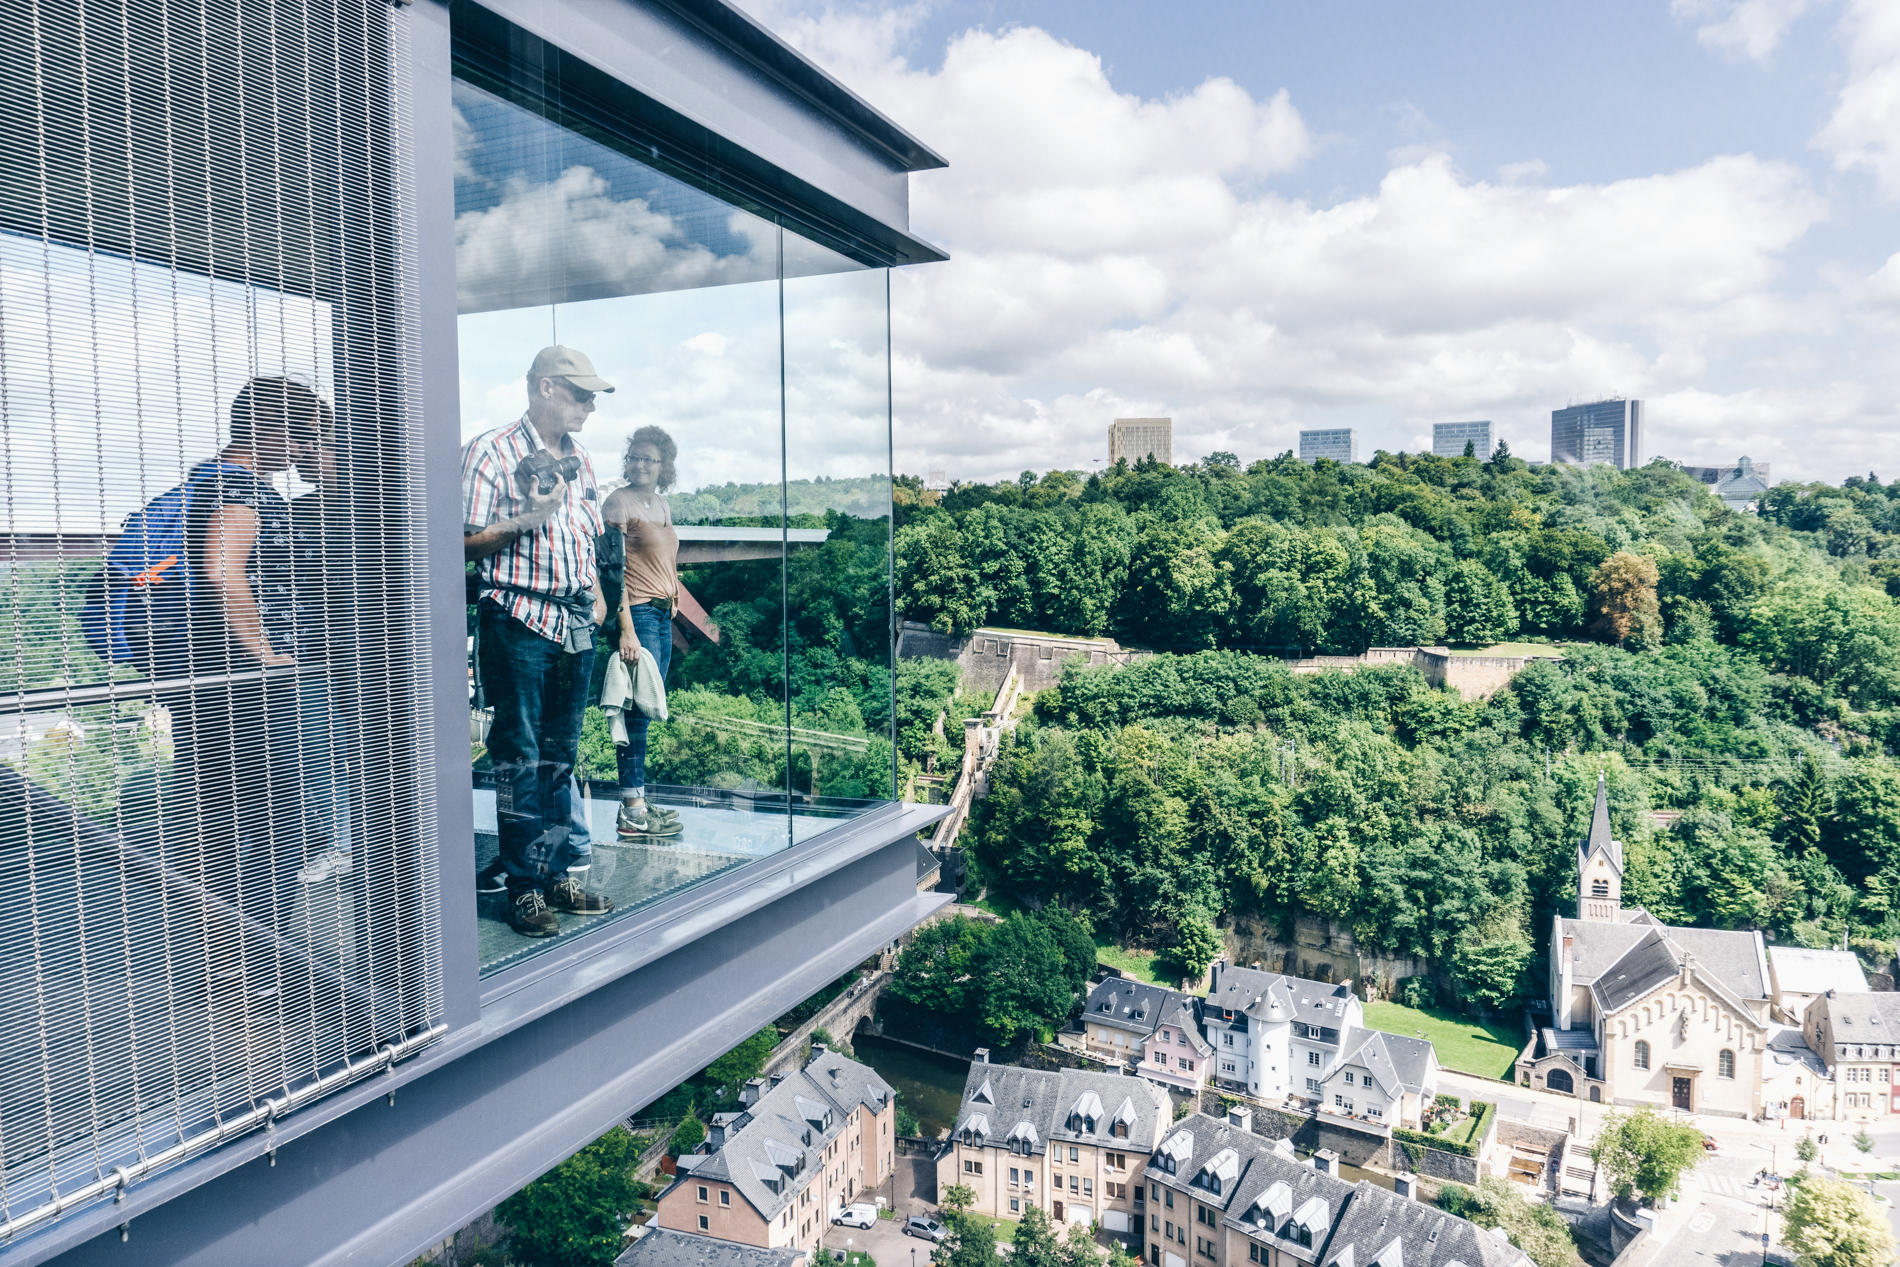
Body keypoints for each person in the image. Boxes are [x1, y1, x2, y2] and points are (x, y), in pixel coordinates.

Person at [463, 346, 616, 937]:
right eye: (582, 394)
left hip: (574, 622)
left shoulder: (583, 459)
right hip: (518, 618)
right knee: (519, 759)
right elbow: (460, 542)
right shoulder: (491, 452)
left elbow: (588, 538)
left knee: (560, 759)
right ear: (546, 388)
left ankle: (553, 876)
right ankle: (523, 887)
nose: (590, 406)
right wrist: (525, 521)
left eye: (593, 397)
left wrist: (597, 597)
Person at [172, 376, 321, 967]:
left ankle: (229, 950)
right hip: (246, 683)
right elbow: (222, 569)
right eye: (302, 436)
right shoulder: (242, 485)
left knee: (225, 816)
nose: (306, 449)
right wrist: (266, 653)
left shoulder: (205, 477)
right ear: (271, 427)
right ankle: (262, 956)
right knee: (267, 821)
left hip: (212, 675)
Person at [601, 426, 684, 841]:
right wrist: (626, 631)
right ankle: (632, 810)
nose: (639, 465)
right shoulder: (618, 502)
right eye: (633, 457)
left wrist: (674, 594)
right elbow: (611, 570)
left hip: (662, 615)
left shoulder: (661, 504)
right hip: (637, 617)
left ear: (663, 465)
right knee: (636, 714)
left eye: (648, 459)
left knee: (647, 711)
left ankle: (639, 801)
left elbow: (663, 558)